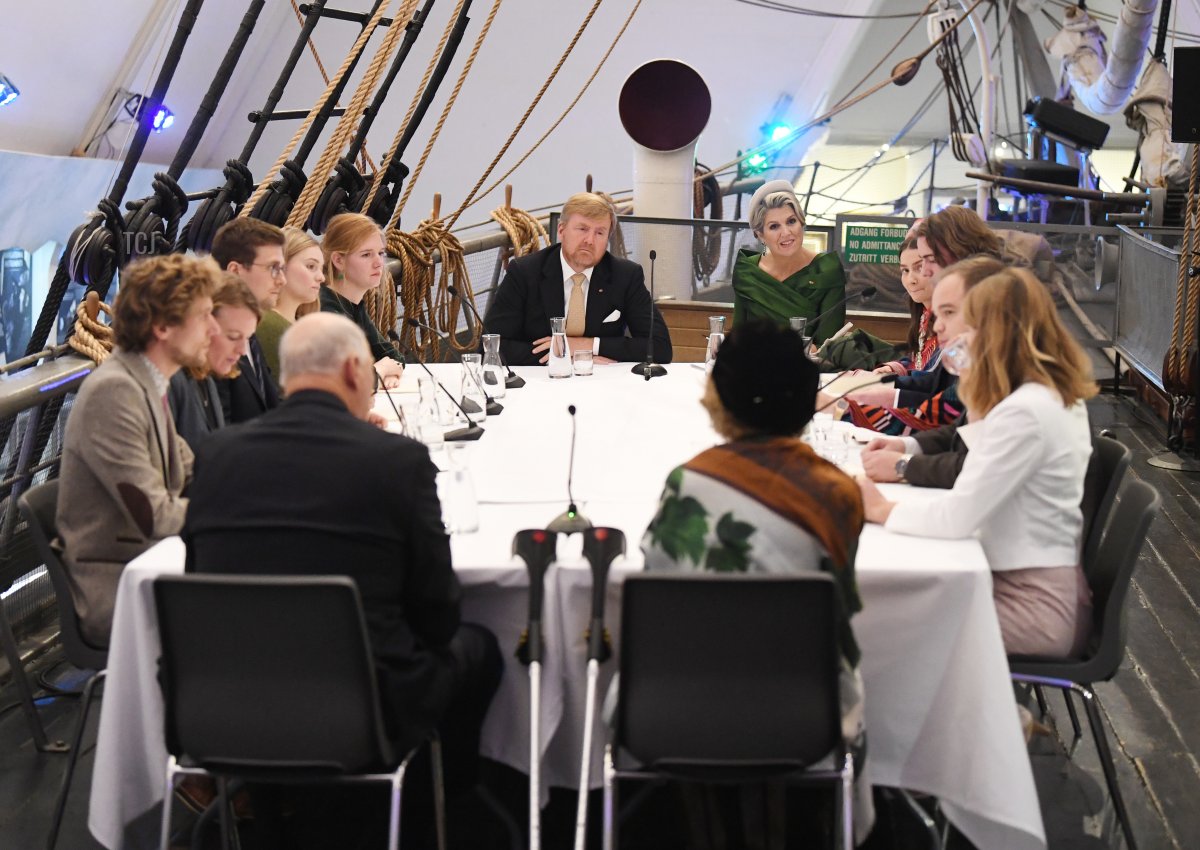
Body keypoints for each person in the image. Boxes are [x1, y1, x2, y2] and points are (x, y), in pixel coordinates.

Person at [183, 313, 500, 844]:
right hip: (364, 709)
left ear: (286, 379)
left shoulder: (217, 456)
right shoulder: (397, 463)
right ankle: (442, 807)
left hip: (223, 704)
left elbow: (200, 579)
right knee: (480, 647)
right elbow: (438, 611)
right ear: (356, 370)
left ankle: (269, 796)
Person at [642, 319, 871, 842]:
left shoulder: (687, 483)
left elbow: (659, 579)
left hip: (675, 706)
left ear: (720, 398)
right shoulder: (837, 492)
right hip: (803, 710)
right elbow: (841, 610)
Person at [858, 268, 1097, 658]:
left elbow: (958, 517)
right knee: (880, 614)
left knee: (875, 625)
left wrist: (880, 508)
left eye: (956, 317)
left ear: (995, 327)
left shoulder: (1027, 410)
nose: (942, 329)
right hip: (1010, 582)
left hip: (1035, 606)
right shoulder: (1024, 396)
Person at [56, 254, 221, 646]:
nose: (214, 329)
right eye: (204, 317)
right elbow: (155, 516)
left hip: (155, 566)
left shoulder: (146, 382)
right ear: (163, 326)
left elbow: (197, 469)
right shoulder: (115, 393)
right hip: (117, 590)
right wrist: (233, 511)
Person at [855, 256, 1006, 481]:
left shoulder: (1020, 384)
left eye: (949, 313)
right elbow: (959, 433)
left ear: (987, 314)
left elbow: (980, 470)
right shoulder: (989, 364)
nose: (938, 325)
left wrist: (902, 466)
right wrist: (904, 446)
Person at [482, 192, 673, 366]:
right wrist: (568, 356)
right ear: (561, 230)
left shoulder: (625, 275)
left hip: (602, 384)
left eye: (600, 233)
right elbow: (490, 348)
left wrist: (588, 345)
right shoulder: (524, 272)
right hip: (540, 383)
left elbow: (660, 348)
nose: (590, 240)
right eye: (582, 229)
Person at [731, 179, 846, 343]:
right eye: (774, 226)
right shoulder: (748, 271)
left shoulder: (827, 269)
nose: (786, 233)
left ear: (802, 222)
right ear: (760, 235)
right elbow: (737, 339)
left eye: (791, 221)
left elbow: (827, 346)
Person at [167, 275, 261, 451]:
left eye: (247, 339)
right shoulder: (172, 381)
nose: (242, 351)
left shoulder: (207, 379)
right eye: (233, 337)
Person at [210, 217, 287, 422]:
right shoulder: (213, 337)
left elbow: (272, 406)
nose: (282, 280)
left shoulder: (248, 333)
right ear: (235, 271)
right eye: (273, 268)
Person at [318, 213, 405, 388]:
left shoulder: (353, 305)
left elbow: (395, 358)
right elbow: (348, 382)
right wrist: (380, 372)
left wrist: (384, 375)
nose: (378, 263)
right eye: (366, 255)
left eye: (380, 253)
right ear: (338, 260)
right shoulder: (326, 310)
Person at [256, 226, 324, 381]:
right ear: (280, 266)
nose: (321, 277)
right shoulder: (268, 326)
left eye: (321, 269)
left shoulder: (297, 326)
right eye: (311, 266)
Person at [875, 237, 937, 376]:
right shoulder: (922, 313)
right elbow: (915, 361)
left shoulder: (954, 319)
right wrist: (894, 368)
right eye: (905, 270)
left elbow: (934, 380)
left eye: (919, 268)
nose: (911, 280)